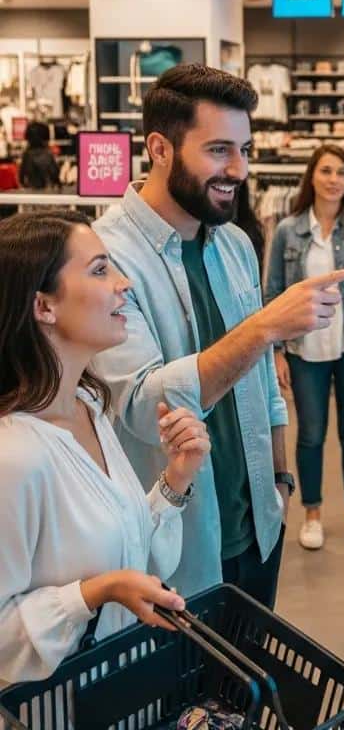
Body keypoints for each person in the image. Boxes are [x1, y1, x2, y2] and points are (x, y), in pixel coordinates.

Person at [93, 64, 344, 605]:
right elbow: (144, 407)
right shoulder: (105, 257)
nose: (238, 170)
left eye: (244, 149)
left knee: (250, 662)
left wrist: (281, 481)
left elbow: (263, 383)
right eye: (219, 150)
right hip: (175, 549)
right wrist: (267, 326)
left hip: (259, 526)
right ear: (160, 149)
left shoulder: (234, 243)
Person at [0, 211, 210, 683]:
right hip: (60, 706)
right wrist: (94, 593)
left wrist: (176, 479)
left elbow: (126, 550)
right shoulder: (14, 457)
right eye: (99, 270)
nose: (124, 282)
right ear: (43, 306)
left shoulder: (89, 407)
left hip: (121, 690)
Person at [266, 145, 344, 552]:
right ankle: (312, 514)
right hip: (305, 349)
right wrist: (277, 350)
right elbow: (274, 292)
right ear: (312, 176)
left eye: (341, 172)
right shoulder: (288, 230)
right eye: (326, 171)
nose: (334, 179)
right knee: (310, 434)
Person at [19, 121, 60, 191]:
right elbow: (54, 174)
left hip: (31, 191)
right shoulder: (47, 154)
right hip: (47, 192)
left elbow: (21, 177)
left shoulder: (27, 155)